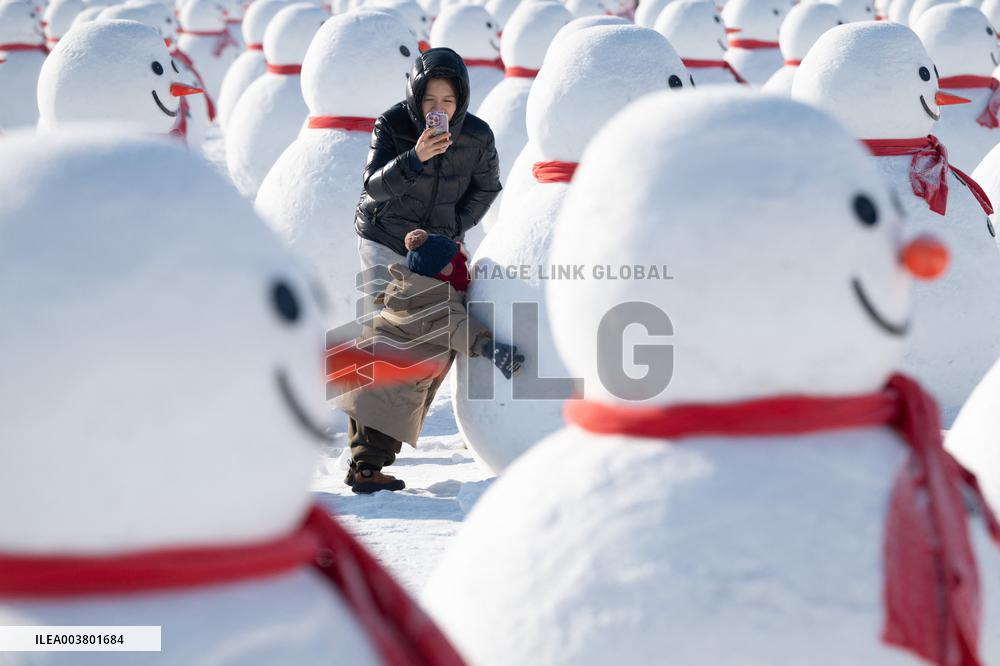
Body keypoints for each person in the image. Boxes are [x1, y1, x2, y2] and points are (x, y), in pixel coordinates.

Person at [338, 230, 523, 494]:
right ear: (446, 271)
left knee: (364, 426)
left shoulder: (409, 290)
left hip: (368, 368)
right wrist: (489, 347)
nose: (465, 268)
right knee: (379, 432)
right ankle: (367, 473)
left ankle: (360, 468)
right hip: (391, 382)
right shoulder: (437, 301)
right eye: (460, 263)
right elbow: (457, 327)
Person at [354, 47, 502, 319]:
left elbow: (487, 187)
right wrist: (414, 157)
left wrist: (454, 226)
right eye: (429, 100)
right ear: (416, 97)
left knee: (443, 322)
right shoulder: (391, 124)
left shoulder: (477, 137)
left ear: (461, 100)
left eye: (448, 100)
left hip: (437, 245)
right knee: (387, 322)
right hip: (385, 237)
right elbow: (373, 186)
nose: (438, 109)